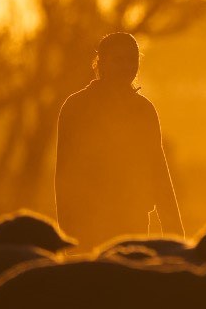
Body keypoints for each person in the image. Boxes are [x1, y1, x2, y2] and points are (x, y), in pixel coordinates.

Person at [54, 32, 184, 247]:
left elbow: (158, 172)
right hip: (88, 226)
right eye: (118, 60)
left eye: (131, 60)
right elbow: (64, 175)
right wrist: (68, 238)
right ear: (101, 63)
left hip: (134, 224)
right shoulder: (76, 107)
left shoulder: (143, 110)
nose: (126, 66)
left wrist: (175, 237)